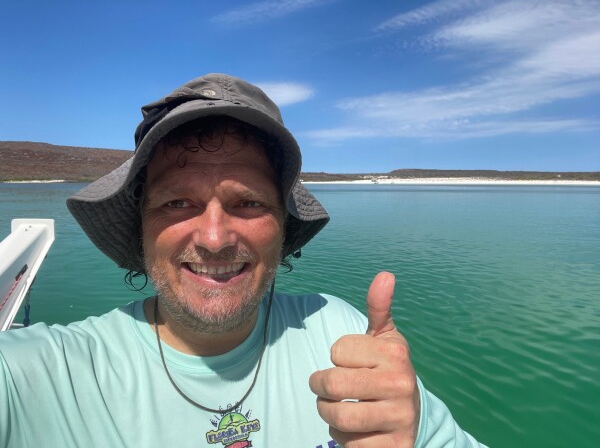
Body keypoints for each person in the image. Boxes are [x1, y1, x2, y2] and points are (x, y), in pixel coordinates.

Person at [0, 73, 487, 448]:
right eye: (177, 203)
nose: (214, 239)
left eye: (249, 202)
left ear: (281, 226)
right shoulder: (41, 372)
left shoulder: (339, 332)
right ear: (142, 227)